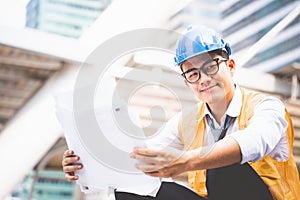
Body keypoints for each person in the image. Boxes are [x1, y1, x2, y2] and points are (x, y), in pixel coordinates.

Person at [62, 25, 300, 200]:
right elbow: (141, 158)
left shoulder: (267, 107)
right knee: (131, 189)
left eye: (210, 66)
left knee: (224, 163)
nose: (203, 79)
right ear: (187, 83)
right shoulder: (186, 121)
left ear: (230, 66)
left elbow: (253, 142)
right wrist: (84, 165)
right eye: (193, 73)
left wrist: (184, 161)